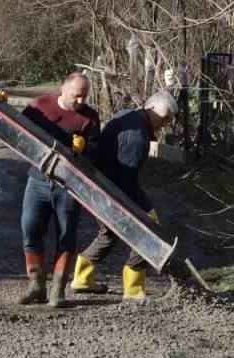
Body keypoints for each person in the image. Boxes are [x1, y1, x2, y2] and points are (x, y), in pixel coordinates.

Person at [72, 90, 178, 303]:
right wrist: (146, 210)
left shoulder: (129, 115)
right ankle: (134, 289)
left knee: (109, 234)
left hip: (97, 184)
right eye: (165, 118)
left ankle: (82, 279)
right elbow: (126, 181)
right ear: (152, 108)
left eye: (170, 120)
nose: (166, 123)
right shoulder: (137, 137)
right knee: (148, 231)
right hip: (109, 189)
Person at [17, 72, 102, 307]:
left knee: (66, 236)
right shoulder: (39, 106)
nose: (81, 101)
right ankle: (36, 285)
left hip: (69, 186)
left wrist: (84, 149)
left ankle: (58, 289)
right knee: (30, 230)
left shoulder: (89, 118)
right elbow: (18, 135)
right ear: (63, 89)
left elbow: (96, 154)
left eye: (85, 96)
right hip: (38, 180)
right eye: (77, 96)